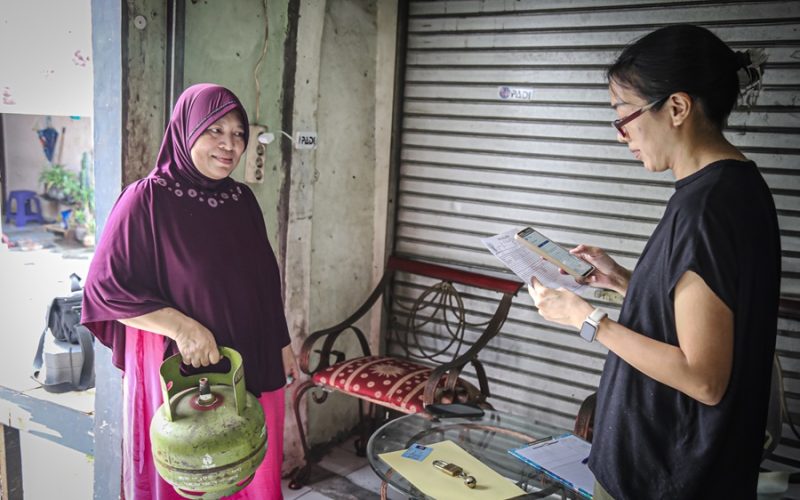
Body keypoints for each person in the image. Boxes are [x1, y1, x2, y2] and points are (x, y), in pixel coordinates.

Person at [527, 25, 780, 499]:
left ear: (678, 108)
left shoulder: (705, 208)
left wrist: (586, 319)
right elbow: (705, 309)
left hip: (665, 475)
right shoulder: (737, 187)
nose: (622, 136)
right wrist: (624, 280)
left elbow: (703, 379)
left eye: (623, 117)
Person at [81, 83, 297, 500]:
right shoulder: (146, 200)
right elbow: (105, 290)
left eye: (238, 134)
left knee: (247, 467)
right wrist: (183, 328)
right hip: (185, 371)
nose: (229, 145)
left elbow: (265, 280)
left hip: (250, 358)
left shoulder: (242, 200)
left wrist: (282, 342)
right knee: (196, 474)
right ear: (186, 130)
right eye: (215, 130)